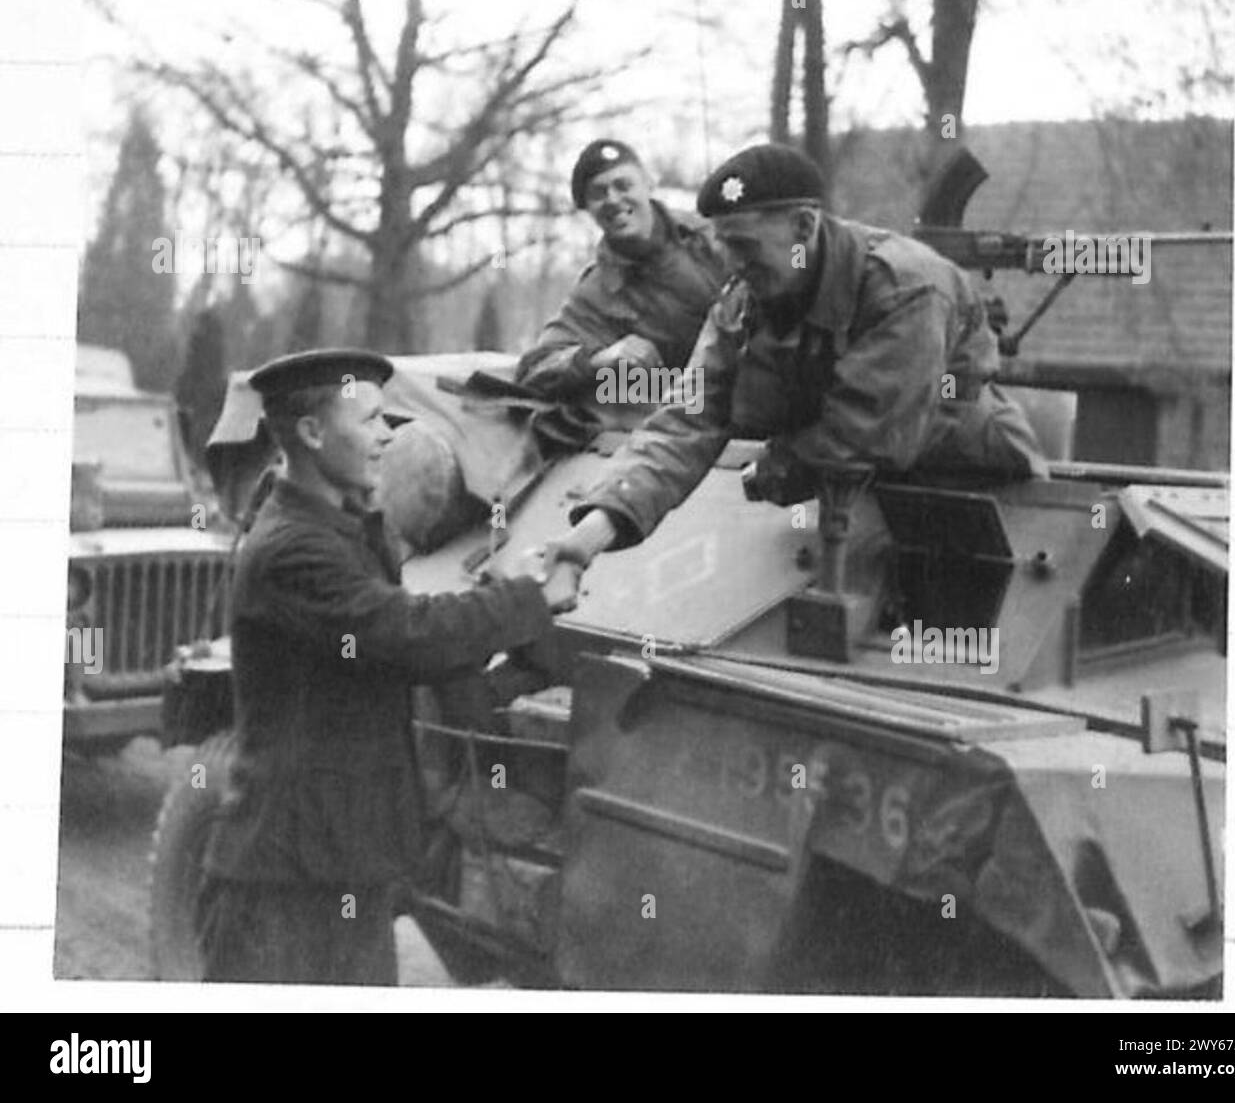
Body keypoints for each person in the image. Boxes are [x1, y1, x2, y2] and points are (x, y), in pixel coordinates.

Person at [198, 348, 578, 985]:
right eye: (371, 421)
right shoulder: (292, 547)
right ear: (313, 434)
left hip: (344, 874)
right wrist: (528, 597)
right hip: (281, 891)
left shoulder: (343, 527)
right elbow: (404, 634)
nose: (387, 437)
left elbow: (391, 652)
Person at [546, 142, 1048, 566]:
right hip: (838, 498)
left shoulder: (905, 287)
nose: (735, 269)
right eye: (725, 249)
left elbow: (867, 431)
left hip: (976, 494)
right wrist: (589, 536)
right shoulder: (744, 302)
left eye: (745, 247)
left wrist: (772, 469)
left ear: (804, 228)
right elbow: (686, 422)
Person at [514, 138, 729, 401]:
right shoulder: (597, 293)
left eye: (623, 185)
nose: (613, 200)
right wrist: (599, 360)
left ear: (649, 183)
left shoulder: (714, 238)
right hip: (692, 411)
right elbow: (536, 367)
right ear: (587, 208)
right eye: (598, 193)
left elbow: (791, 263)